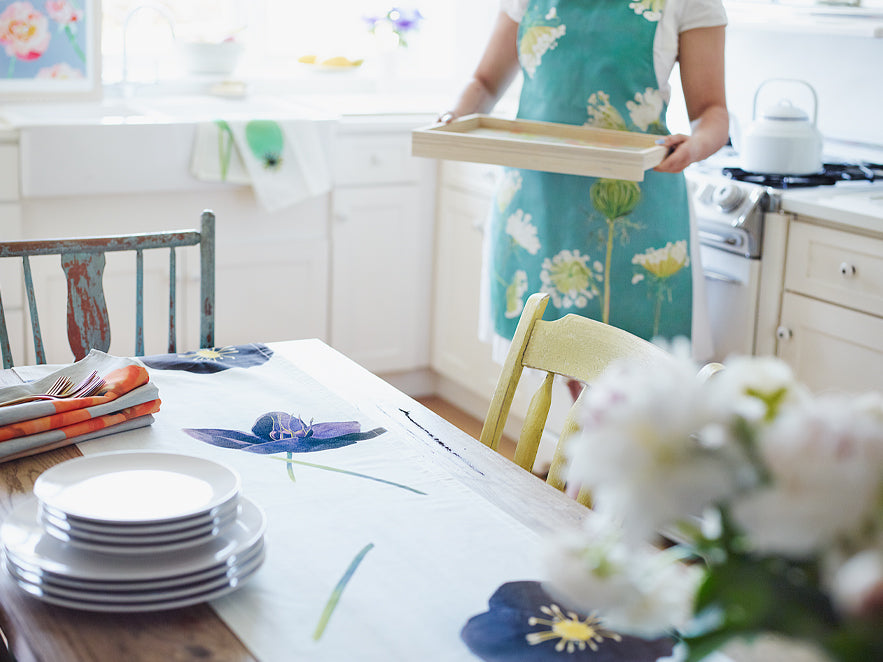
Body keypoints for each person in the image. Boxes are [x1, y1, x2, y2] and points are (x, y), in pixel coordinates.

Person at [440, 0, 729, 397]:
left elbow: (712, 111)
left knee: (626, 364)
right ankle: (579, 437)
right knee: (557, 352)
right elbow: (485, 82)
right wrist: (454, 116)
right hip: (539, 198)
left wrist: (696, 145)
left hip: (631, 206)